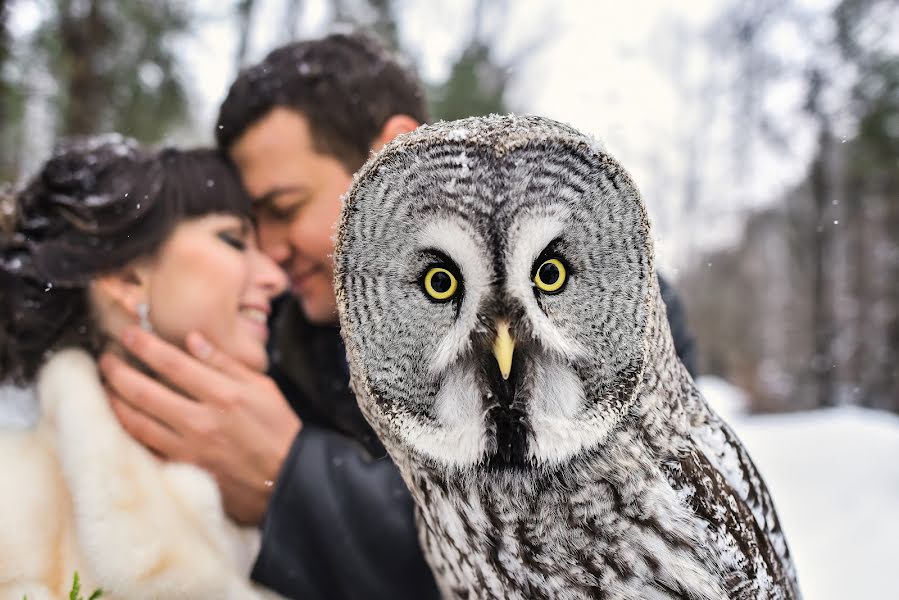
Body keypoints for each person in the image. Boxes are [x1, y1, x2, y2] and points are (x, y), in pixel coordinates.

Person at [101, 31, 697, 600]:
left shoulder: (608, 309)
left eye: (284, 208)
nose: (271, 250)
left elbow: (576, 555)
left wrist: (298, 482)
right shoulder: (285, 338)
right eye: (251, 227)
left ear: (392, 152)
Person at [0, 138, 288, 598]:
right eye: (233, 240)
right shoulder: (12, 504)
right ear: (127, 278)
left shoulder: (272, 471)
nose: (276, 278)